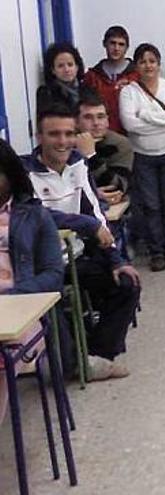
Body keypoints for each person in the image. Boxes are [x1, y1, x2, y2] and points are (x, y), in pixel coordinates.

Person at [25, 105, 140, 380]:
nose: (63, 141)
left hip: (78, 258)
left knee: (126, 283)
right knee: (59, 353)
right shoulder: (24, 172)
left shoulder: (79, 164)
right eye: (54, 134)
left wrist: (115, 259)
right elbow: (36, 215)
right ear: (39, 136)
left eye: (69, 133)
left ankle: (97, 356)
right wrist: (84, 224)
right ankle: (76, 361)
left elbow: (95, 213)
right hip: (43, 268)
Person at [0, 138, 64, 399]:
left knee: (3, 362)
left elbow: (53, 276)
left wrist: (11, 296)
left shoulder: (34, 216)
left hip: (21, 315)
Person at [119, 43, 165, 271]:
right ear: (136, 65)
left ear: (159, 64)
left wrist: (145, 115)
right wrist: (163, 120)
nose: (148, 65)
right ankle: (156, 252)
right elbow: (129, 124)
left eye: (152, 61)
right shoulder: (128, 92)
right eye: (143, 61)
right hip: (143, 156)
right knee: (151, 206)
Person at [75, 89, 133, 198]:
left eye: (100, 117)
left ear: (107, 120)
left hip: (112, 206)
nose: (96, 123)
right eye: (88, 117)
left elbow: (116, 187)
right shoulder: (67, 142)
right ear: (76, 122)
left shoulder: (119, 144)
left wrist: (91, 156)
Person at [83, 25, 139, 134]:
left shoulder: (136, 75)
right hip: (101, 134)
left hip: (132, 134)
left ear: (127, 47)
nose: (116, 48)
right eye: (112, 43)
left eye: (121, 44)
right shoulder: (92, 76)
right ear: (104, 44)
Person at [36, 42, 86, 115]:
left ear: (77, 67)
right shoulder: (47, 93)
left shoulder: (88, 90)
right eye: (60, 66)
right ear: (53, 70)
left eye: (70, 65)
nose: (66, 70)